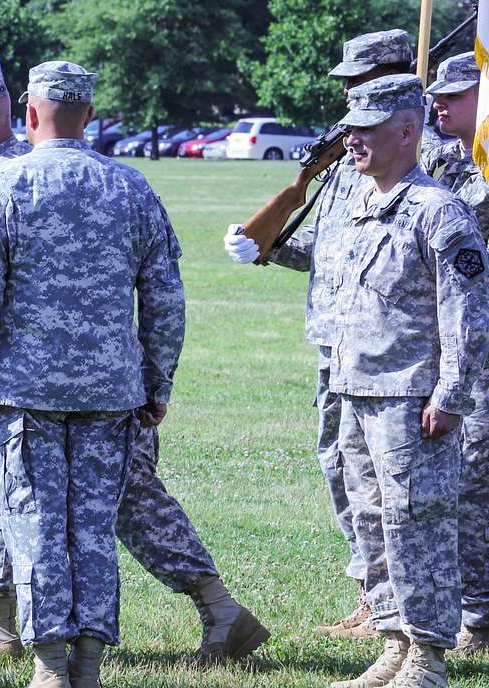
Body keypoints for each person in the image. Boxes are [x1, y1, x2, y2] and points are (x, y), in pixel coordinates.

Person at [0, 61, 267, 666]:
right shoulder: (131, 185)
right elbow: (165, 299)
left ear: (24, 114)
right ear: (90, 116)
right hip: (112, 392)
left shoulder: (8, 181)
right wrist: (157, 383)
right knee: (72, 522)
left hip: (31, 392)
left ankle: (50, 656)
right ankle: (51, 645)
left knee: (54, 519)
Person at [224, 29, 430, 639]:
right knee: (344, 470)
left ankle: (411, 617)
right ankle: (375, 592)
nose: (347, 94)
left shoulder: (428, 153)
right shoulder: (347, 155)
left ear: (389, 76)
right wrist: (266, 243)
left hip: (398, 354)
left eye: (357, 82)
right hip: (338, 346)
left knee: (402, 493)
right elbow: (331, 249)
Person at [326, 74, 489, 688]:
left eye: (367, 131)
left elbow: (467, 311)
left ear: (406, 131)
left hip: (411, 397)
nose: (354, 143)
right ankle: (394, 645)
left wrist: (452, 394)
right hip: (357, 391)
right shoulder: (361, 204)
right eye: (351, 131)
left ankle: (428, 657)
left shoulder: (438, 211)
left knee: (418, 525)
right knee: (373, 525)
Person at [424, 51, 489, 655]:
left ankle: (479, 617)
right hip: (460, 347)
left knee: (473, 479)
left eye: (454, 95)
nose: (439, 104)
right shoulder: (449, 164)